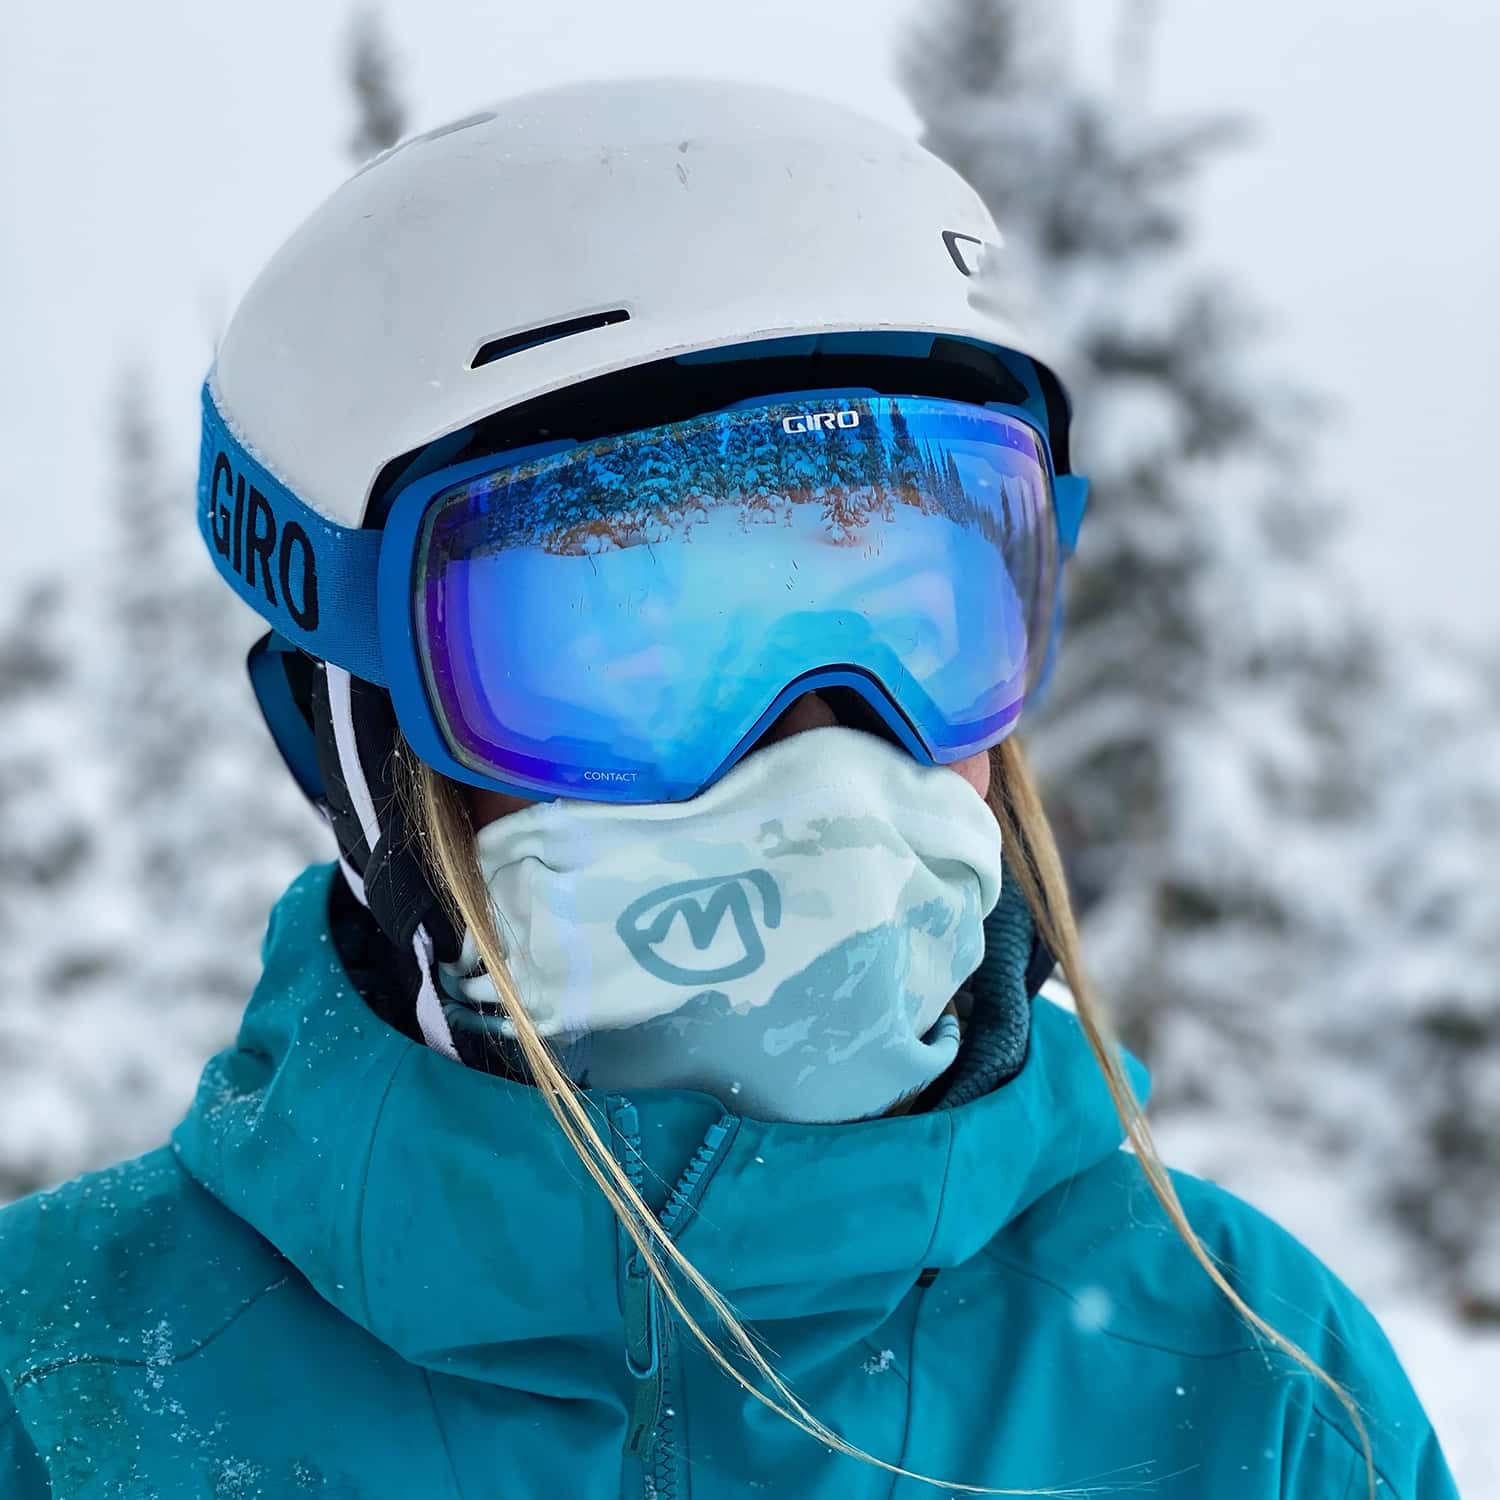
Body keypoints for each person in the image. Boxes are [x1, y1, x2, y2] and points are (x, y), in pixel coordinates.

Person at [0, 78, 1458, 1500]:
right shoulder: (60, 1397)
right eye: (624, 634)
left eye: (909, 603)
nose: (819, 754)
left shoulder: (1257, 1395)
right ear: (343, 738)